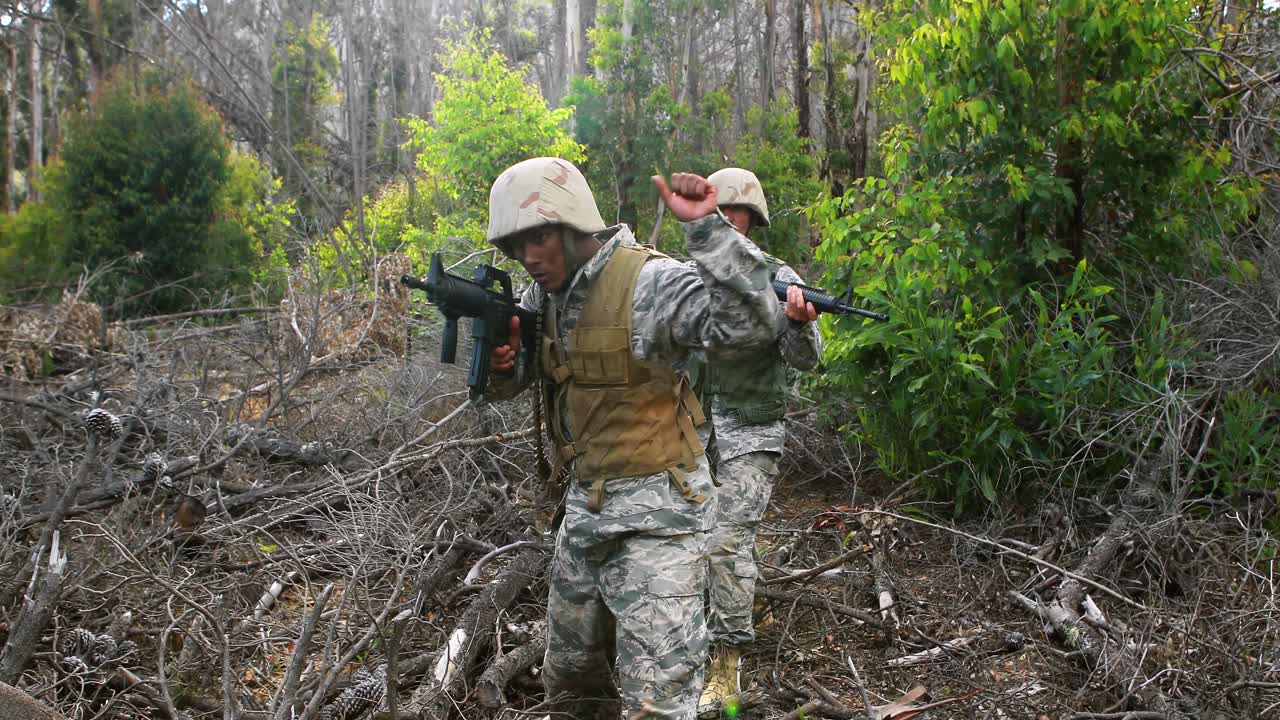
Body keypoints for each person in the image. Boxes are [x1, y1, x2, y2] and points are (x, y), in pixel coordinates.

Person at [478, 156, 807, 719]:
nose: (528, 256)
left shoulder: (648, 282)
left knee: (657, 702)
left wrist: (708, 231)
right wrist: (502, 365)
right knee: (572, 683)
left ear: (573, 225)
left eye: (538, 238)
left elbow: (753, 326)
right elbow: (516, 384)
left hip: (661, 520)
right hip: (585, 511)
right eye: (516, 246)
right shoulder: (544, 298)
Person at [693, 167, 823, 710]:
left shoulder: (779, 277)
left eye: (736, 214)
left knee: (726, 540)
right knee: (689, 537)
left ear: (752, 221)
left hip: (751, 430)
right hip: (692, 431)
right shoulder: (686, 276)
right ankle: (738, 607)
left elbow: (808, 360)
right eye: (718, 213)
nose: (727, 223)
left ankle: (726, 666)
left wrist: (796, 323)